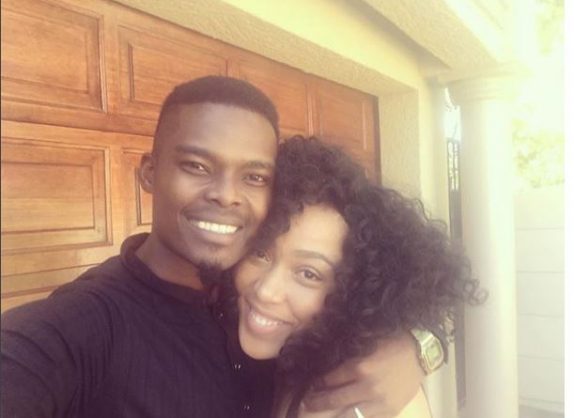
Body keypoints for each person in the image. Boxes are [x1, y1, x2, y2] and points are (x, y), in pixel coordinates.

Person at [2, 76, 442, 418]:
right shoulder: (82, 327)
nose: (227, 196)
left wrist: (419, 345)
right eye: (197, 166)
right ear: (150, 173)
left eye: (254, 177)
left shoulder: (256, 307)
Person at [214, 137, 483, 417]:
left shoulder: (352, 397)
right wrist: (421, 344)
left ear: (355, 291)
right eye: (260, 253)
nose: (266, 291)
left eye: (308, 273)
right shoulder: (291, 358)